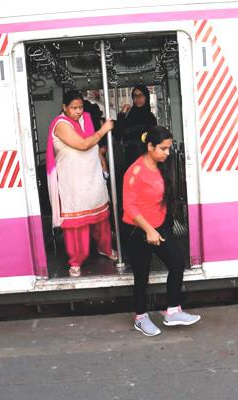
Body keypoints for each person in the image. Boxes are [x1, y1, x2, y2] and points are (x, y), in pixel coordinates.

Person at [122, 125, 201, 336]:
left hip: (159, 226)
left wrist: (164, 225)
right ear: (150, 146)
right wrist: (148, 230)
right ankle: (140, 317)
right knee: (142, 276)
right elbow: (129, 207)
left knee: (177, 263)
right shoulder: (135, 171)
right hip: (137, 230)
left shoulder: (161, 165)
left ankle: (173, 311)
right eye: (163, 148)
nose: (167, 153)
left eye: (169, 148)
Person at [46, 90, 118, 277]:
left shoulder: (86, 119)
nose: (78, 111)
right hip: (73, 183)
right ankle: (76, 261)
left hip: (92, 178)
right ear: (64, 107)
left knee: (101, 217)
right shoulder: (61, 124)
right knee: (76, 225)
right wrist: (104, 130)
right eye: (73, 108)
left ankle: (105, 248)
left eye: (80, 107)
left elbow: (94, 149)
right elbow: (83, 144)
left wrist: (103, 166)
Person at [114, 84, 158, 168]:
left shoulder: (151, 118)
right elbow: (117, 134)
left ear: (146, 97)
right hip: (129, 160)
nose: (138, 99)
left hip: (146, 160)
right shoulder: (128, 116)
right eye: (135, 96)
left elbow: (154, 141)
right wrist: (122, 113)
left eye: (141, 95)